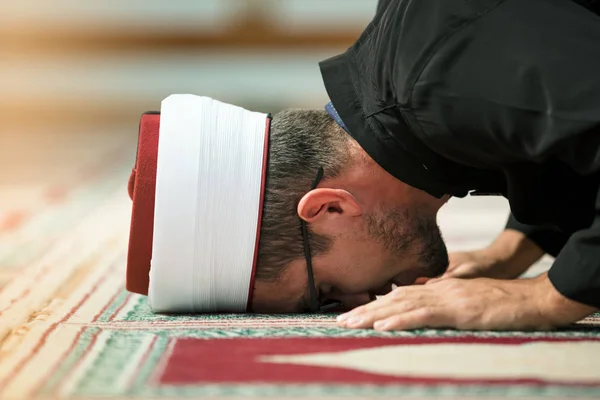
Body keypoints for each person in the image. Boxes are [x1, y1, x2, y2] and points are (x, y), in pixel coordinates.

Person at [249, 0, 600, 330]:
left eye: (326, 293)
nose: (363, 302)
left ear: (330, 207)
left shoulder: (444, 73)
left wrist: (548, 296)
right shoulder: (417, 73)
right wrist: (513, 249)